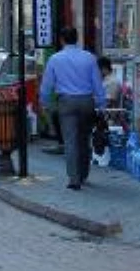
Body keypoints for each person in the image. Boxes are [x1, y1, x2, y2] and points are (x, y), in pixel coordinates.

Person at [39, 27, 106, 190]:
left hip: (66, 102)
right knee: (84, 139)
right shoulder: (89, 58)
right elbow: (97, 83)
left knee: (70, 141)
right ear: (77, 38)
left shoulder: (55, 59)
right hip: (86, 101)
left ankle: (74, 178)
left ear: (62, 39)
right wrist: (101, 104)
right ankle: (84, 174)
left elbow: (47, 85)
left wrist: (45, 103)